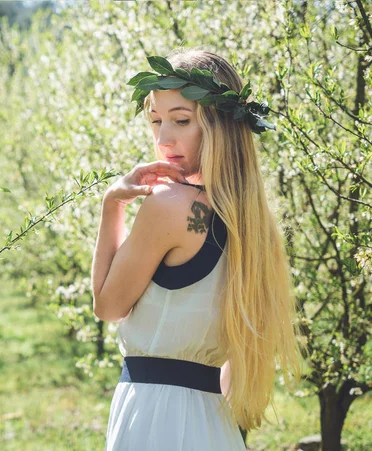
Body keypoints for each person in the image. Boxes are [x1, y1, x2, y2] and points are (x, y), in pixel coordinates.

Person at [91, 48, 305, 450]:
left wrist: (113, 204)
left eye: (181, 120)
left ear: (218, 126)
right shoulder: (254, 223)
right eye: (156, 120)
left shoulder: (168, 205)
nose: (163, 137)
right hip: (214, 423)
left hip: (156, 418)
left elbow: (108, 306)